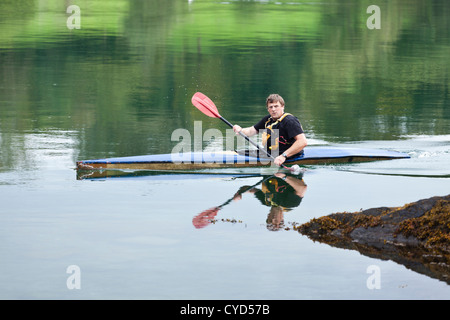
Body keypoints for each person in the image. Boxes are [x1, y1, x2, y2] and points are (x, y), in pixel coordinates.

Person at [233, 94, 307, 166]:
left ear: (282, 106)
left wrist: (283, 156)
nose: (273, 109)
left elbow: (302, 142)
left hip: (288, 156)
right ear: (268, 109)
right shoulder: (268, 119)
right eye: (271, 107)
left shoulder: (290, 121)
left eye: (276, 106)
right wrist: (240, 130)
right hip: (269, 154)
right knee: (238, 152)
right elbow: (251, 131)